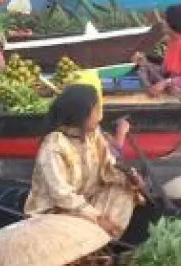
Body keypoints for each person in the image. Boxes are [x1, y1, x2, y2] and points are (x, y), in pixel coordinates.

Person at [25, 84, 145, 239]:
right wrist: (97, 218)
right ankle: (97, 242)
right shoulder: (53, 146)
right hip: (56, 214)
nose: (99, 117)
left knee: (125, 191)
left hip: (86, 202)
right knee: (92, 224)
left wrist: (132, 180)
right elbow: (62, 195)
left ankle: (100, 239)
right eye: (95, 111)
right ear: (79, 115)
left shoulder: (93, 134)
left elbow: (108, 168)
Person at [132, 5, 181, 96]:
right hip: (172, 81)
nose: (163, 23)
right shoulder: (173, 42)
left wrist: (165, 83)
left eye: (165, 20)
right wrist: (145, 63)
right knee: (142, 69)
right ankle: (149, 91)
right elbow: (164, 72)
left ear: (173, 23)